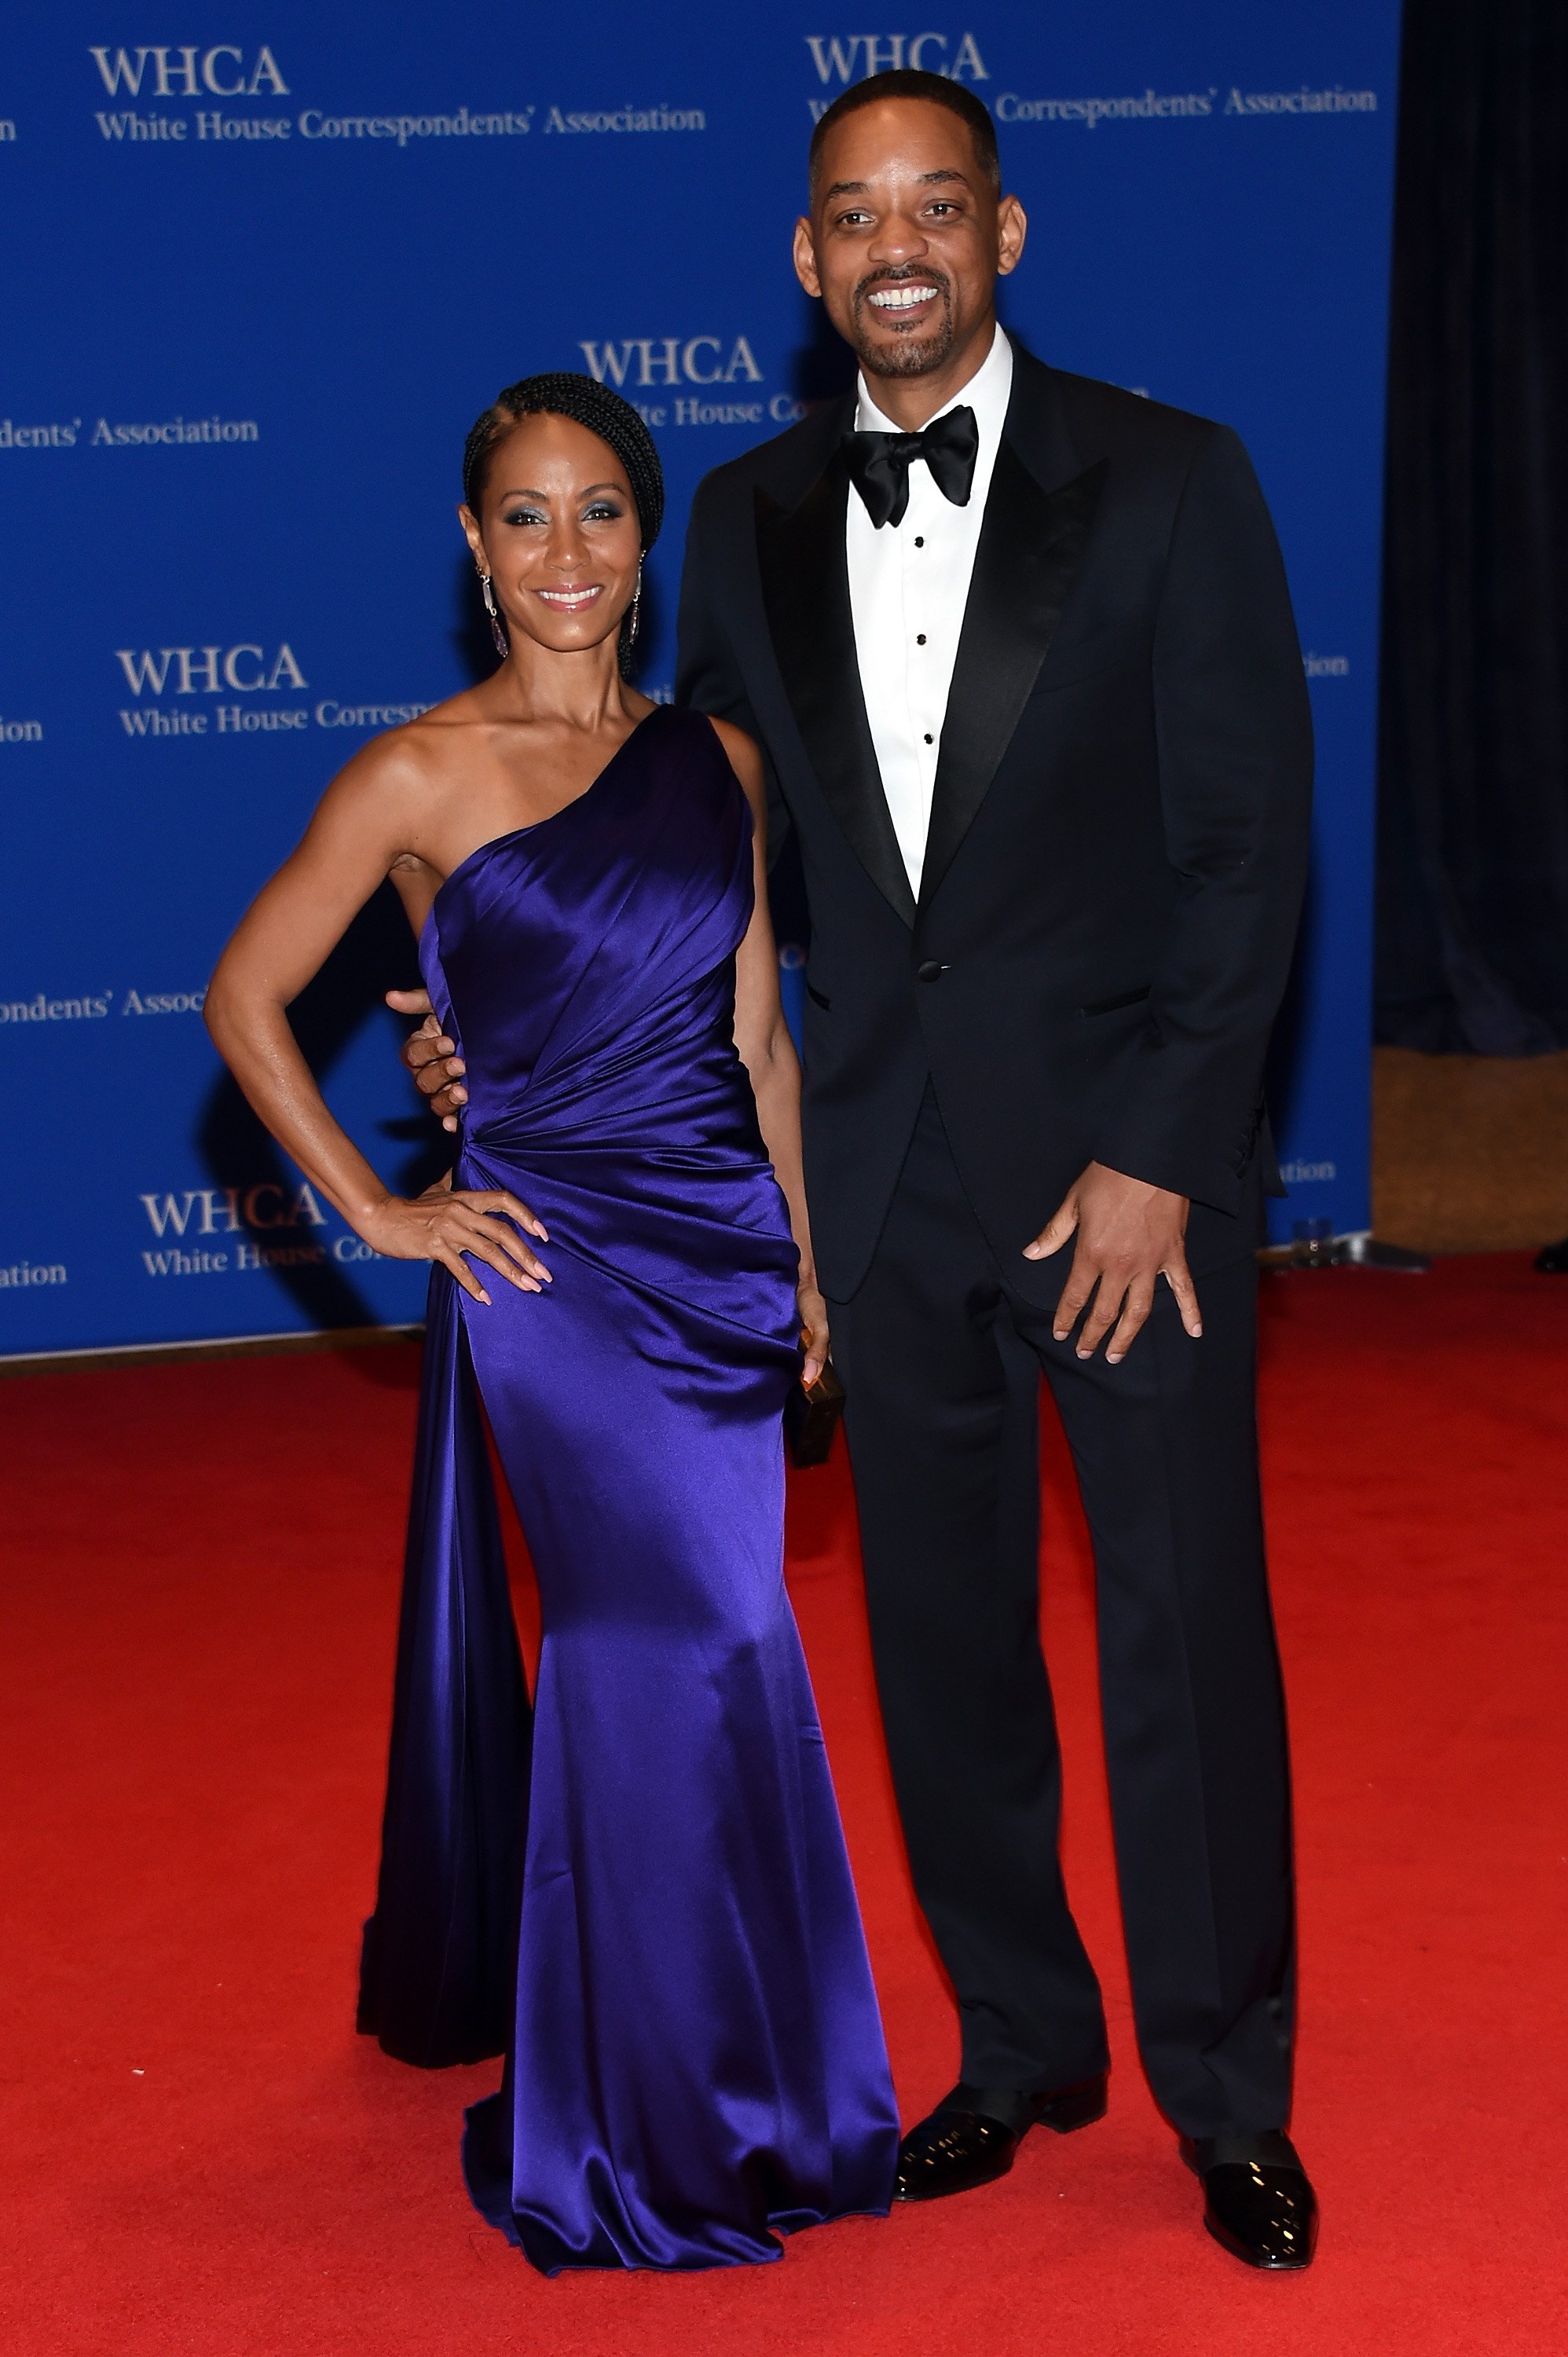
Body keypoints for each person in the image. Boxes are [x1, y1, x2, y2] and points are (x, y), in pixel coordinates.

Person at [406, 75, 1321, 2270]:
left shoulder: (1175, 482)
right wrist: (505, 1020)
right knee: (939, 1650)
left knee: (1181, 1639)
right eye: (849, 216)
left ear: (1004, 234)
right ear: (806, 266)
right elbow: (676, 846)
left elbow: (1245, 857)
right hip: (879, 1189)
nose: (893, 247)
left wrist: (1157, 1158)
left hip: (1128, 1200)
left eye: (933, 207)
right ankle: (1016, 2044)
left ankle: (1227, 2098)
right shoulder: (730, 519)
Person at [203, 372, 898, 2273]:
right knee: (644, 1649)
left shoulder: (715, 764)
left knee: (743, 1644)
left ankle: (764, 2086)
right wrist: (379, 1206)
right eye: (524, 515)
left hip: (719, 1260)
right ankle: (641, 2128)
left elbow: (755, 1034)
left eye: (600, 510)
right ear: (470, 543)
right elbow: (245, 996)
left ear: (642, 534)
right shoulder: (416, 772)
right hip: (549, 1277)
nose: (566, 552)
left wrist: (810, 1265)